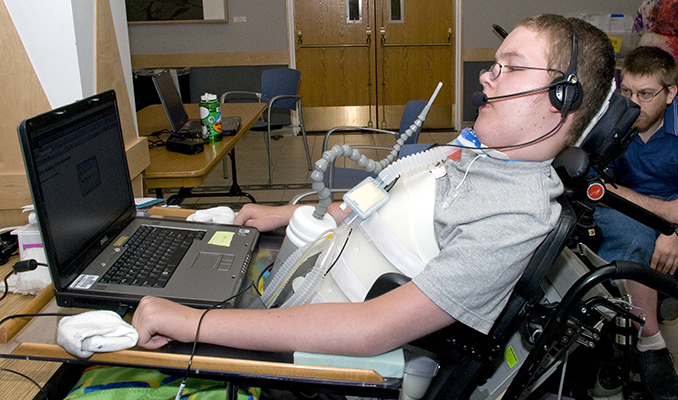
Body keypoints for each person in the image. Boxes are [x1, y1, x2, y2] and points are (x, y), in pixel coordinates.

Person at [132, 14, 615, 361]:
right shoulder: (476, 155)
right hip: (304, 288)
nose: (487, 77)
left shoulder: (515, 215)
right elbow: (386, 196)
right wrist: (283, 214)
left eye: (510, 66)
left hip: (326, 353)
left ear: (562, 97)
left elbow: (372, 330)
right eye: (493, 63)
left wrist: (192, 324)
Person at [593, 45, 678, 400]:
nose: (634, 102)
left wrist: (675, 233)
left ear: (671, 93)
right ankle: (649, 341)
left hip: (666, 219)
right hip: (620, 213)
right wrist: (665, 217)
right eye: (626, 91)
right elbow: (594, 186)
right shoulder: (610, 118)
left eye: (645, 94)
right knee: (634, 238)